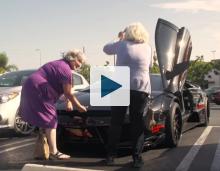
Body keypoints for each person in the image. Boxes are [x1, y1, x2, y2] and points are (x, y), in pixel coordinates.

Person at [20, 49, 87, 160]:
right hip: (40, 87)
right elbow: (68, 92)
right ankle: (54, 152)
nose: (80, 65)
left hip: (30, 84)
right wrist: (79, 107)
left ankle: (45, 147)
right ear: (73, 58)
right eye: (79, 61)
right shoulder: (66, 70)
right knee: (51, 118)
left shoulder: (59, 64)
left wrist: (69, 102)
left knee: (45, 117)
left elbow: (69, 89)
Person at [103, 22, 152, 168]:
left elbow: (105, 49)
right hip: (141, 87)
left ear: (127, 33)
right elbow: (148, 66)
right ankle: (137, 157)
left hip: (119, 84)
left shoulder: (122, 44)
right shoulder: (148, 48)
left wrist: (119, 38)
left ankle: (110, 156)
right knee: (137, 123)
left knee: (116, 122)